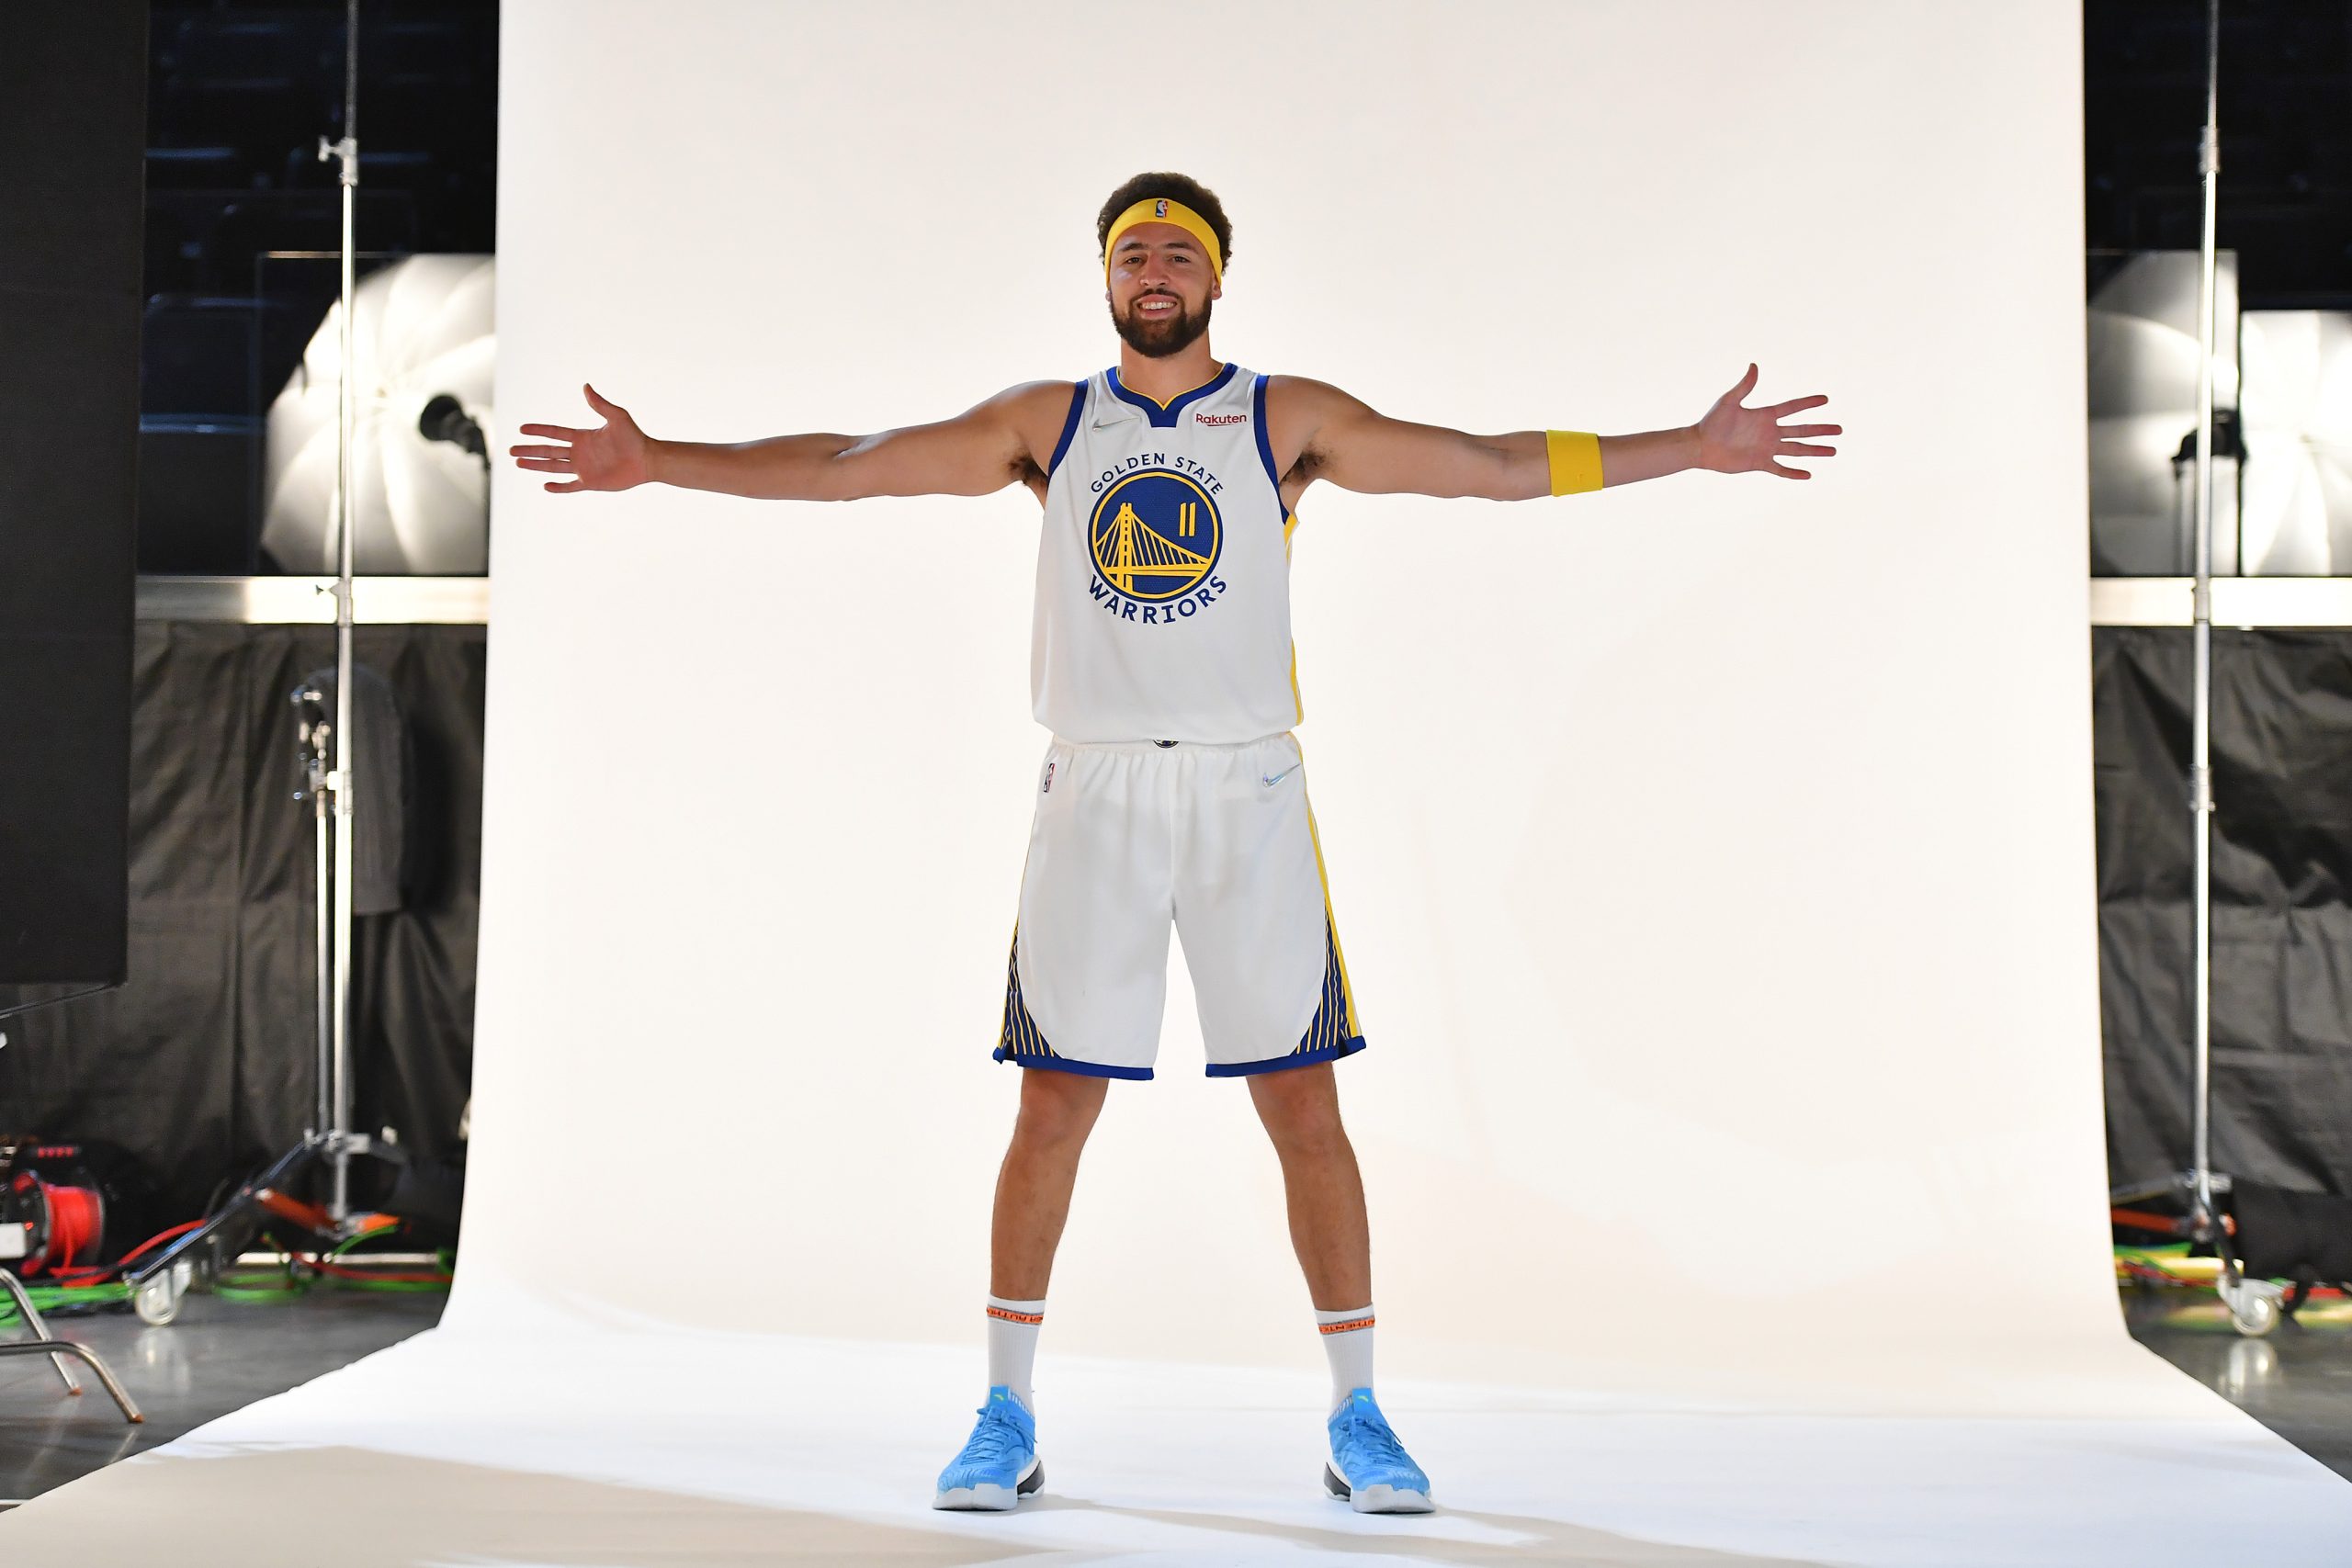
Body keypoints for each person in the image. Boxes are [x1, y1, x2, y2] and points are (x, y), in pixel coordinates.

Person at [508, 171, 1839, 1517]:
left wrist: (1690, 444)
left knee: (1303, 1104)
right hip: (1095, 795)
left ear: (1213, 279)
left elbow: (1487, 467)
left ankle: (1361, 1414)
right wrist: (658, 458)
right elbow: (851, 468)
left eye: (1178, 251)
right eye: (1132, 250)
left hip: (1245, 794)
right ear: (1105, 280)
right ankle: (1005, 1411)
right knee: (1051, 1103)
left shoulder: (1283, 417)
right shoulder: (1050, 422)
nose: (1155, 268)